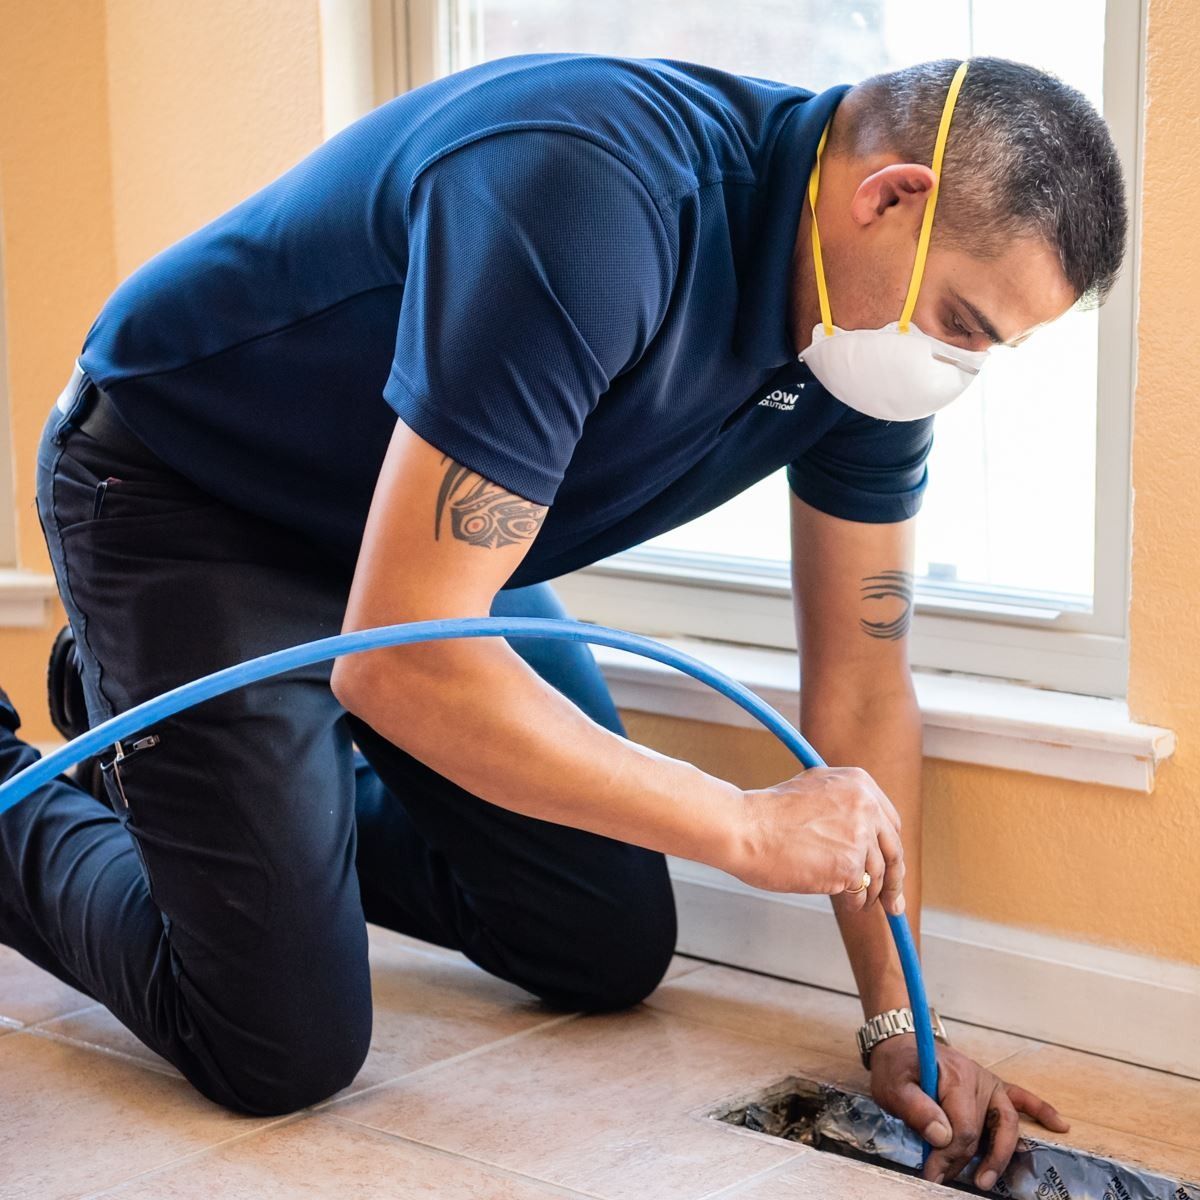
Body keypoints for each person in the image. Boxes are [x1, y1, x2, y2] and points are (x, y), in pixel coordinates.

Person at [0, 51, 1124, 1190]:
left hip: (425, 545)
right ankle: (89, 746)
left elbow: (865, 681)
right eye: (964, 325)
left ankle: (131, 728)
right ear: (889, 199)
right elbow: (406, 667)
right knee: (276, 1043)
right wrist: (741, 822)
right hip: (191, 494)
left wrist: (899, 1024)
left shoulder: (868, 350)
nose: (955, 368)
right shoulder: (595, 196)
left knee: (600, 939)